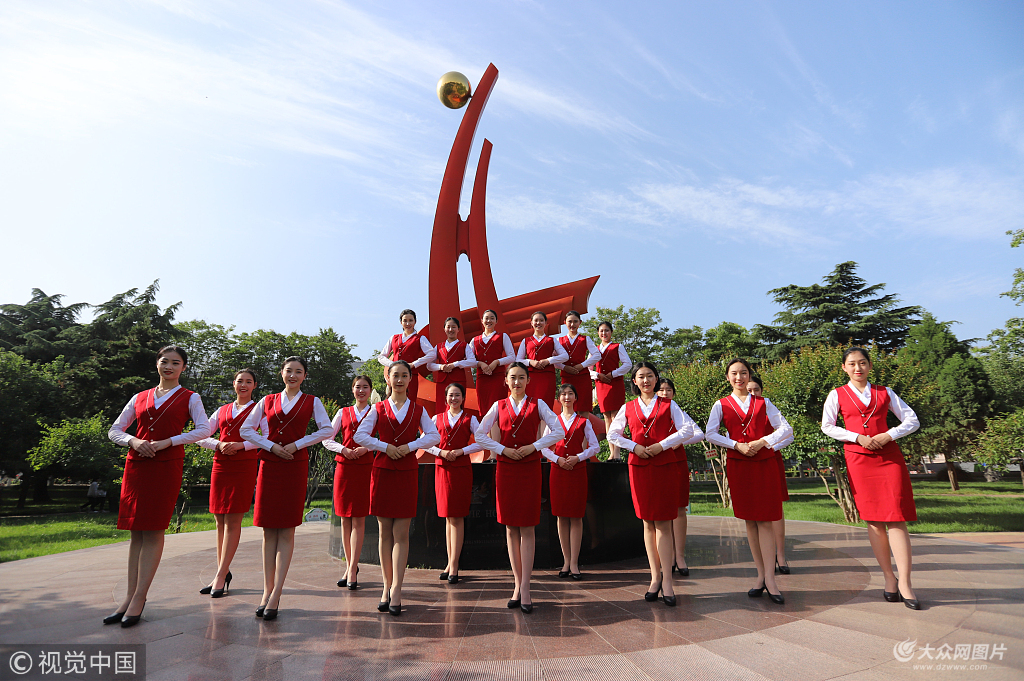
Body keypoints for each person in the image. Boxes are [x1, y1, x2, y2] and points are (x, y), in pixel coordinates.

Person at [105, 345, 211, 627]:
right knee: (135, 534)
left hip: (166, 466)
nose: (169, 367)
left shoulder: (191, 397)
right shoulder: (139, 397)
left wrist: (170, 441)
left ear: (183, 368)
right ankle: (128, 597)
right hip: (137, 466)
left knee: (152, 530)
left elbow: (205, 429)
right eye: (164, 362)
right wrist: (133, 440)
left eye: (176, 363)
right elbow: (115, 429)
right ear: (157, 364)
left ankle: (140, 597)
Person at [821, 347, 922, 609]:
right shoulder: (837, 394)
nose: (858, 368)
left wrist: (889, 434)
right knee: (875, 521)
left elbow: (912, 420)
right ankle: (889, 578)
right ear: (844, 367)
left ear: (870, 366)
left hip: (889, 458)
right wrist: (857, 437)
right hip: (859, 460)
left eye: (863, 363)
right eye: (852, 364)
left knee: (898, 518)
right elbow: (827, 426)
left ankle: (906, 583)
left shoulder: (885, 392)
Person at [240, 357, 334, 622]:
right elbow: (247, 429)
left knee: (287, 531)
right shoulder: (267, 401)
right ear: (281, 373)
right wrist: (270, 445)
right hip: (269, 465)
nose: (293, 375)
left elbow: (326, 430)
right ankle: (267, 589)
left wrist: (297, 445)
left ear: (305, 376)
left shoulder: (312, 401)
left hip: (294, 464)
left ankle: (277, 592)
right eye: (289, 371)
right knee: (269, 531)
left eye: (298, 372)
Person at [608, 362, 699, 607]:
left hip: (665, 466)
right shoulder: (627, 407)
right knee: (647, 522)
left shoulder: (669, 405)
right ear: (634, 382)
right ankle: (654, 577)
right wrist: (634, 446)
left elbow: (688, 429)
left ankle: (668, 580)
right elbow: (613, 434)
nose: (646, 380)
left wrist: (663, 445)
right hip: (639, 467)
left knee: (664, 523)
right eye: (641, 377)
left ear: (656, 379)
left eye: (650, 376)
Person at [475, 362, 564, 613]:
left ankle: (526, 587)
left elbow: (558, 430)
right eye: (512, 378)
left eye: (521, 378)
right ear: (505, 380)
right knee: (511, 527)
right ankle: (516, 584)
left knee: (527, 526)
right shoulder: (497, 406)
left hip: (529, 467)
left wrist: (534, 446)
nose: (516, 382)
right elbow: (480, 434)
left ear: (528, 381)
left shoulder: (539, 404)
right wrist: (501, 449)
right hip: (506, 468)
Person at [354, 361, 440, 616]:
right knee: (384, 533)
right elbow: (360, 436)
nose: (400, 380)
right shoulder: (377, 408)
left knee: (401, 533)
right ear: (388, 379)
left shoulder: (418, 409)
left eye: (404, 375)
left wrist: (412, 446)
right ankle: (385, 586)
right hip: (382, 471)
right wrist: (385, 446)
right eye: (395, 375)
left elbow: (434, 436)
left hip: (406, 473)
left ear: (410, 379)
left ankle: (398, 589)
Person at [705, 358, 792, 605]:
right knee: (750, 521)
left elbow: (784, 429)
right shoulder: (720, 405)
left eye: (743, 373)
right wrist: (735, 445)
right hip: (739, 464)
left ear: (749, 375)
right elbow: (710, 433)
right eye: (734, 373)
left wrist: (762, 441)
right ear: (727, 377)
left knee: (765, 521)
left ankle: (770, 578)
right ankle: (760, 576)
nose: (739, 377)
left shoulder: (764, 402)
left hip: (763, 463)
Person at [197, 369, 264, 598]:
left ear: (255, 385)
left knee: (233, 519)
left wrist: (241, 445)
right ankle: (222, 572)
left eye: (248, 382)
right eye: (239, 381)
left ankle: (220, 575)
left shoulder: (259, 410)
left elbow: (267, 438)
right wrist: (218, 444)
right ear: (233, 384)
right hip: (220, 465)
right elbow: (201, 434)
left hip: (243, 466)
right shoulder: (223, 409)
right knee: (219, 519)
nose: (243, 385)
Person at [541, 383, 599, 580]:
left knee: (576, 516)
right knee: (561, 516)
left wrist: (578, 457)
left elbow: (595, 446)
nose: (567, 397)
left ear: (576, 398)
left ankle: (574, 563)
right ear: (558, 399)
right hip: (558, 471)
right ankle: (566, 561)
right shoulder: (553, 422)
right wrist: (557, 459)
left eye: (570, 394)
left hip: (577, 470)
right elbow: (543, 447)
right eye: (563, 394)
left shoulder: (584, 421)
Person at [425, 382, 481, 585]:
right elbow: (425, 441)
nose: (454, 399)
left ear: (463, 398)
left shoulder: (470, 419)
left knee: (457, 517)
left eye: (457, 395)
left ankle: (455, 565)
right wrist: (441, 452)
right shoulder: (435, 418)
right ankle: (450, 563)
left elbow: (483, 440)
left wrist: (461, 451)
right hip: (442, 468)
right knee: (447, 517)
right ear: (446, 398)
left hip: (460, 470)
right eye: (450, 395)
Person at [323, 375, 375, 591]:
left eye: (365, 387)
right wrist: (342, 449)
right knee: (345, 518)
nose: (361, 391)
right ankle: (349, 565)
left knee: (359, 519)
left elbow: (385, 438)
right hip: (344, 467)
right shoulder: (342, 412)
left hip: (365, 467)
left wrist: (367, 448)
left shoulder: (376, 412)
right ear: (352, 389)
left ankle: (353, 568)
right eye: (357, 387)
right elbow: (327, 438)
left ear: (371, 390)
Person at [656, 377, 705, 577]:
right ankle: (662, 557)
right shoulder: (648, 412)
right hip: (656, 463)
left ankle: (680, 556)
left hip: (677, 461)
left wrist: (679, 440)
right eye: (661, 390)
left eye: (669, 390)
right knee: (659, 511)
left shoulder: (677, 410)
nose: (665, 393)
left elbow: (699, 434)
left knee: (679, 508)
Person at [746, 376, 794, 575]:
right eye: (748, 390)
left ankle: (780, 555)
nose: (752, 394)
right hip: (747, 462)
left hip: (770, 460)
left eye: (756, 389)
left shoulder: (767, 408)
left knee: (775, 508)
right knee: (753, 510)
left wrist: (769, 446)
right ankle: (763, 561)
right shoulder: (736, 411)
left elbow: (788, 434)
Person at [377, 309, 436, 403]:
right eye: (405, 321)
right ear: (401, 322)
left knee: (410, 402)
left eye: (411, 320)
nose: (408, 323)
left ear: (415, 322)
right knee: (393, 402)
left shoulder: (420, 338)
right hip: (395, 376)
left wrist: (414, 364)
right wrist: (392, 364)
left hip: (411, 377)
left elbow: (432, 354)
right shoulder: (394, 338)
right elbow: (381, 357)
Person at [592, 321, 632, 461]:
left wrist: (613, 374)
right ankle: (611, 452)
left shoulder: (617, 347)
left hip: (614, 384)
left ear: (611, 332)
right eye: (602, 331)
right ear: (598, 333)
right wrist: (598, 375)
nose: (604, 333)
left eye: (607, 330)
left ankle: (617, 453)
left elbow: (627, 364)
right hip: (601, 385)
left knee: (616, 418)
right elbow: (587, 369)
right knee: (607, 419)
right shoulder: (594, 349)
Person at [515, 311, 569, 409]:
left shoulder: (552, 340)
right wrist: (530, 362)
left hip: (547, 376)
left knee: (546, 405)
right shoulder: (526, 340)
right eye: (536, 320)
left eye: (541, 320)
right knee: (530, 406)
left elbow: (565, 356)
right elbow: (518, 360)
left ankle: (545, 425)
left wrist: (548, 360)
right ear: (531, 323)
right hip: (530, 377)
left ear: (545, 323)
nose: (538, 323)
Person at [555, 311, 601, 417]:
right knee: (568, 408)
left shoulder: (585, 339)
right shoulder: (559, 340)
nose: (572, 324)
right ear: (564, 323)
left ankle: (584, 433)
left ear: (580, 323)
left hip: (583, 377)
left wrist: (582, 365)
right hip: (567, 377)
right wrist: (564, 367)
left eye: (575, 321)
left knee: (583, 409)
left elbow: (597, 355)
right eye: (570, 321)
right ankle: (569, 433)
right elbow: (553, 360)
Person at [428, 317, 477, 415]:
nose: (451, 330)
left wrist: (456, 364)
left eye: (453, 327)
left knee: (457, 407)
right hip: (442, 382)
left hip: (458, 380)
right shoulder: (438, 347)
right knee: (441, 408)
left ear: (458, 329)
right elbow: (429, 365)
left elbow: (473, 362)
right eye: (448, 327)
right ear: (444, 329)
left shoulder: (464, 345)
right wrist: (440, 367)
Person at [472, 309, 516, 419]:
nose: (489, 321)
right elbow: (468, 360)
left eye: (492, 318)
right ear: (482, 321)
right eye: (486, 318)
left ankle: (498, 435)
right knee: (484, 409)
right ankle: (486, 435)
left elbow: (512, 357)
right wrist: (480, 363)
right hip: (482, 379)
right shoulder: (474, 340)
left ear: (496, 321)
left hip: (498, 377)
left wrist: (497, 362)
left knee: (499, 408)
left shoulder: (502, 336)